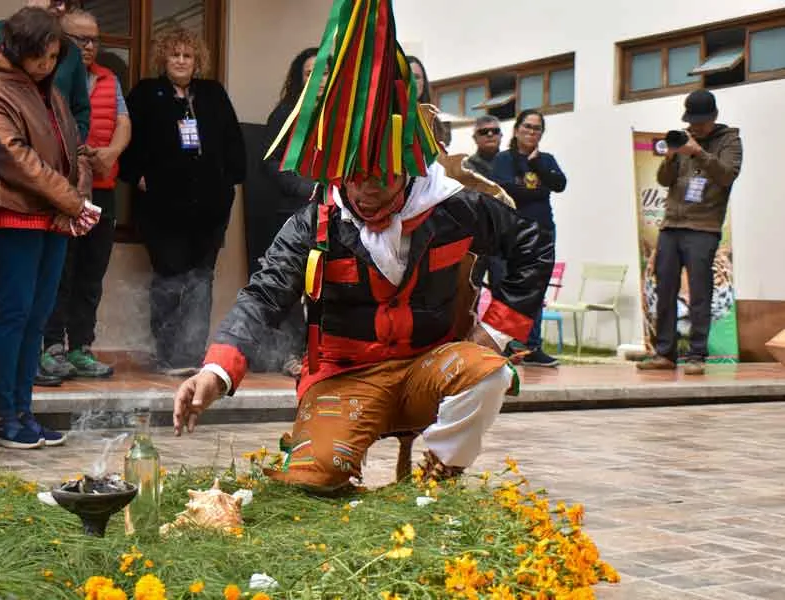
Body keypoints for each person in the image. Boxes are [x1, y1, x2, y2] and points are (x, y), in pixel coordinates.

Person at [172, 0, 554, 493]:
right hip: (343, 378)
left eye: (379, 179)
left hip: (428, 367)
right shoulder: (314, 222)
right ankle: (325, 457)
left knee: (489, 373)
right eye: (353, 177)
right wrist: (215, 371)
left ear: (408, 166)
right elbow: (262, 297)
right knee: (313, 480)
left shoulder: (452, 206)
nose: (364, 192)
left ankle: (436, 479)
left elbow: (531, 246)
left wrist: (495, 334)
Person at [0, 6, 100, 449]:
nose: (48, 65)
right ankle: (2, 415)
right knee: (14, 312)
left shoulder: (51, 92)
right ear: (19, 50)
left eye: (54, 57)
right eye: (41, 57)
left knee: (38, 318)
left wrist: (74, 198)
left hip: (53, 217)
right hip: (14, 213)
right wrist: (72, 200)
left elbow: (76, 150)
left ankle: (25, 410)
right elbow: (15, 158)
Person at [120, 27, 246, 374]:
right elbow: (126, 141)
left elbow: (233, 140)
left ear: (197, 61)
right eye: (174, 54)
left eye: (187, 55)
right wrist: (137, 175)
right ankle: (167, 353)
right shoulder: (147, 93)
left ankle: (190, 356)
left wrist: (229, 180)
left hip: (209, 207)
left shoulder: (212, 94)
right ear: (164, 58)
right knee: (168, 276)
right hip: (162, 207)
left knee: (200, 278)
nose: (180, 60)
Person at [40, 9, 131, 379]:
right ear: (62, 40)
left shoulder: (109, 78)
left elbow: (123, 123)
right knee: (61, 271)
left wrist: (109, 154)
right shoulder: (50, 75)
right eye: (80, 39)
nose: (90, 46)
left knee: (91, 275)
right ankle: (51, 348)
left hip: (103, 189)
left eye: (94, 39)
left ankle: (81, 347)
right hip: (62, 189)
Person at [637, 89, 742, 375]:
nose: (694, 126)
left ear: (714, 117)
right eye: (691, 121)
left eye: (700, 121)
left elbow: (726, 175)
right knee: (665, 288)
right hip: (671, 225)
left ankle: (696, 355)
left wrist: (699, 152)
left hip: (703, 228)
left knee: (699, 292)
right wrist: (671, 157)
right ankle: (665, 353)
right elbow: (663, 180)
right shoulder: (683, 139)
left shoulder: (729, 140)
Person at [260, 47, 323, 377]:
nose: (318, 78)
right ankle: (291, 354)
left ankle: (322, 354)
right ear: (299, 78)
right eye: (310, 72)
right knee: (293, 284)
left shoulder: (343, 116)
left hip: (335, 213)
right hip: (293, 212)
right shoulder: (286, 113)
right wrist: (305, 189)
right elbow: (270, 163)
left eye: (324, 71)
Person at [492, 110, 566, 367]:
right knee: (509, 286)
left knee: (537, 288)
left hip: (543, 231)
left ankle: (532, 346)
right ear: (516, 129)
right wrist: (536, 190)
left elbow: (559, 184)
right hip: (512, 231)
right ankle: (506, 344)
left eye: (537, 128)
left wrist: (537, 168)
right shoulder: (503, 160)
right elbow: (505, 190)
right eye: (527, 127)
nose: (532, 132)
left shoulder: (546, 160)